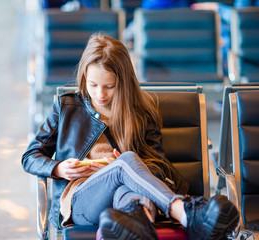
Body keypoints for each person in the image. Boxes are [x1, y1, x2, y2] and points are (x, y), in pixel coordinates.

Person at [21, 33, 239, 240]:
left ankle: (138, 226)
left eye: (109, 86)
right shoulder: (66, 107)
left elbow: (158, 166)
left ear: (123, 82)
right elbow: (30, 156)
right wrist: (58, 168)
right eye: (93, 85)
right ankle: (186, 213)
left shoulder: (141, 112)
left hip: (124, 199)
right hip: (80, 201)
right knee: (125, 162)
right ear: (84, 77)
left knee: (131, 193)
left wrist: (119, 167)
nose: (100, 95)